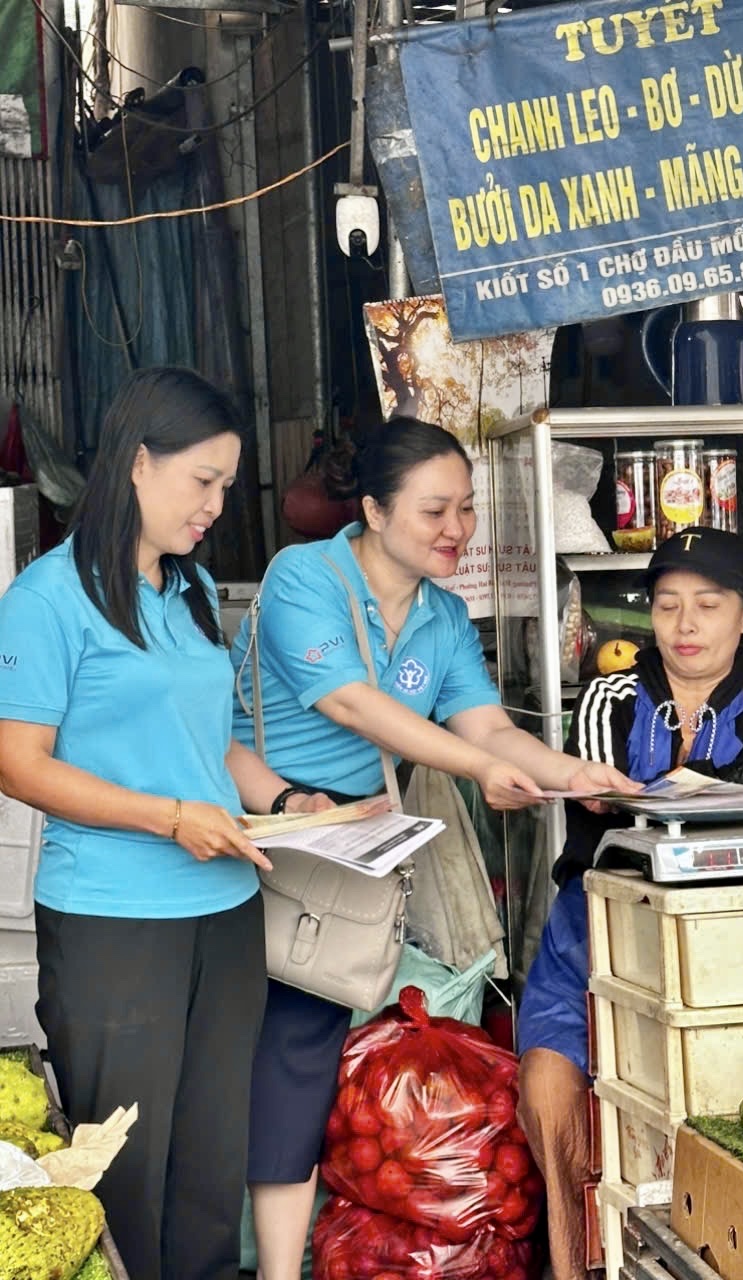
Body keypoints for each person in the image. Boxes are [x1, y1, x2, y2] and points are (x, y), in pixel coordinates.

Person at [229, 415, 642, 1280]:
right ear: (374, 511)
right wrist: (476, 767)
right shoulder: (303, 577)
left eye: (466, 509)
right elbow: (349, 703)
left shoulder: (444, 615)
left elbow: (489, 726)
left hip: (375, 836)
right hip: (279, 832)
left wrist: (574, 774)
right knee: (296, 1053)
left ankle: (393, 1247)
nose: (456, 529)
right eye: (434, 511)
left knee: (393, 1055)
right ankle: (274, 1268)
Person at [0, 367, 334, 1280]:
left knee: (208, 1162)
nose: (218, 506)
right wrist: (166, 818)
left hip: (224, 910)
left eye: (227, 485)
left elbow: (216, 740)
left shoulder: (187, 592)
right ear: (140, 464)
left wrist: (285, 802)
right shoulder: (47, 597)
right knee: (128, 1175)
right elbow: (16, 763)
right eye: (205, 482)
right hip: (114, 921)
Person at [516, 526, 743, 1280]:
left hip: (723, 944)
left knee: (695, 1105)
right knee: (551, 1094)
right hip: (595, 937)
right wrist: (710, 784)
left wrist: (657, 795)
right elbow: (595, 814)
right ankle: (576, 1263)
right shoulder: (611, 695)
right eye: (667, 605)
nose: (685, 625)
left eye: (708, 606)